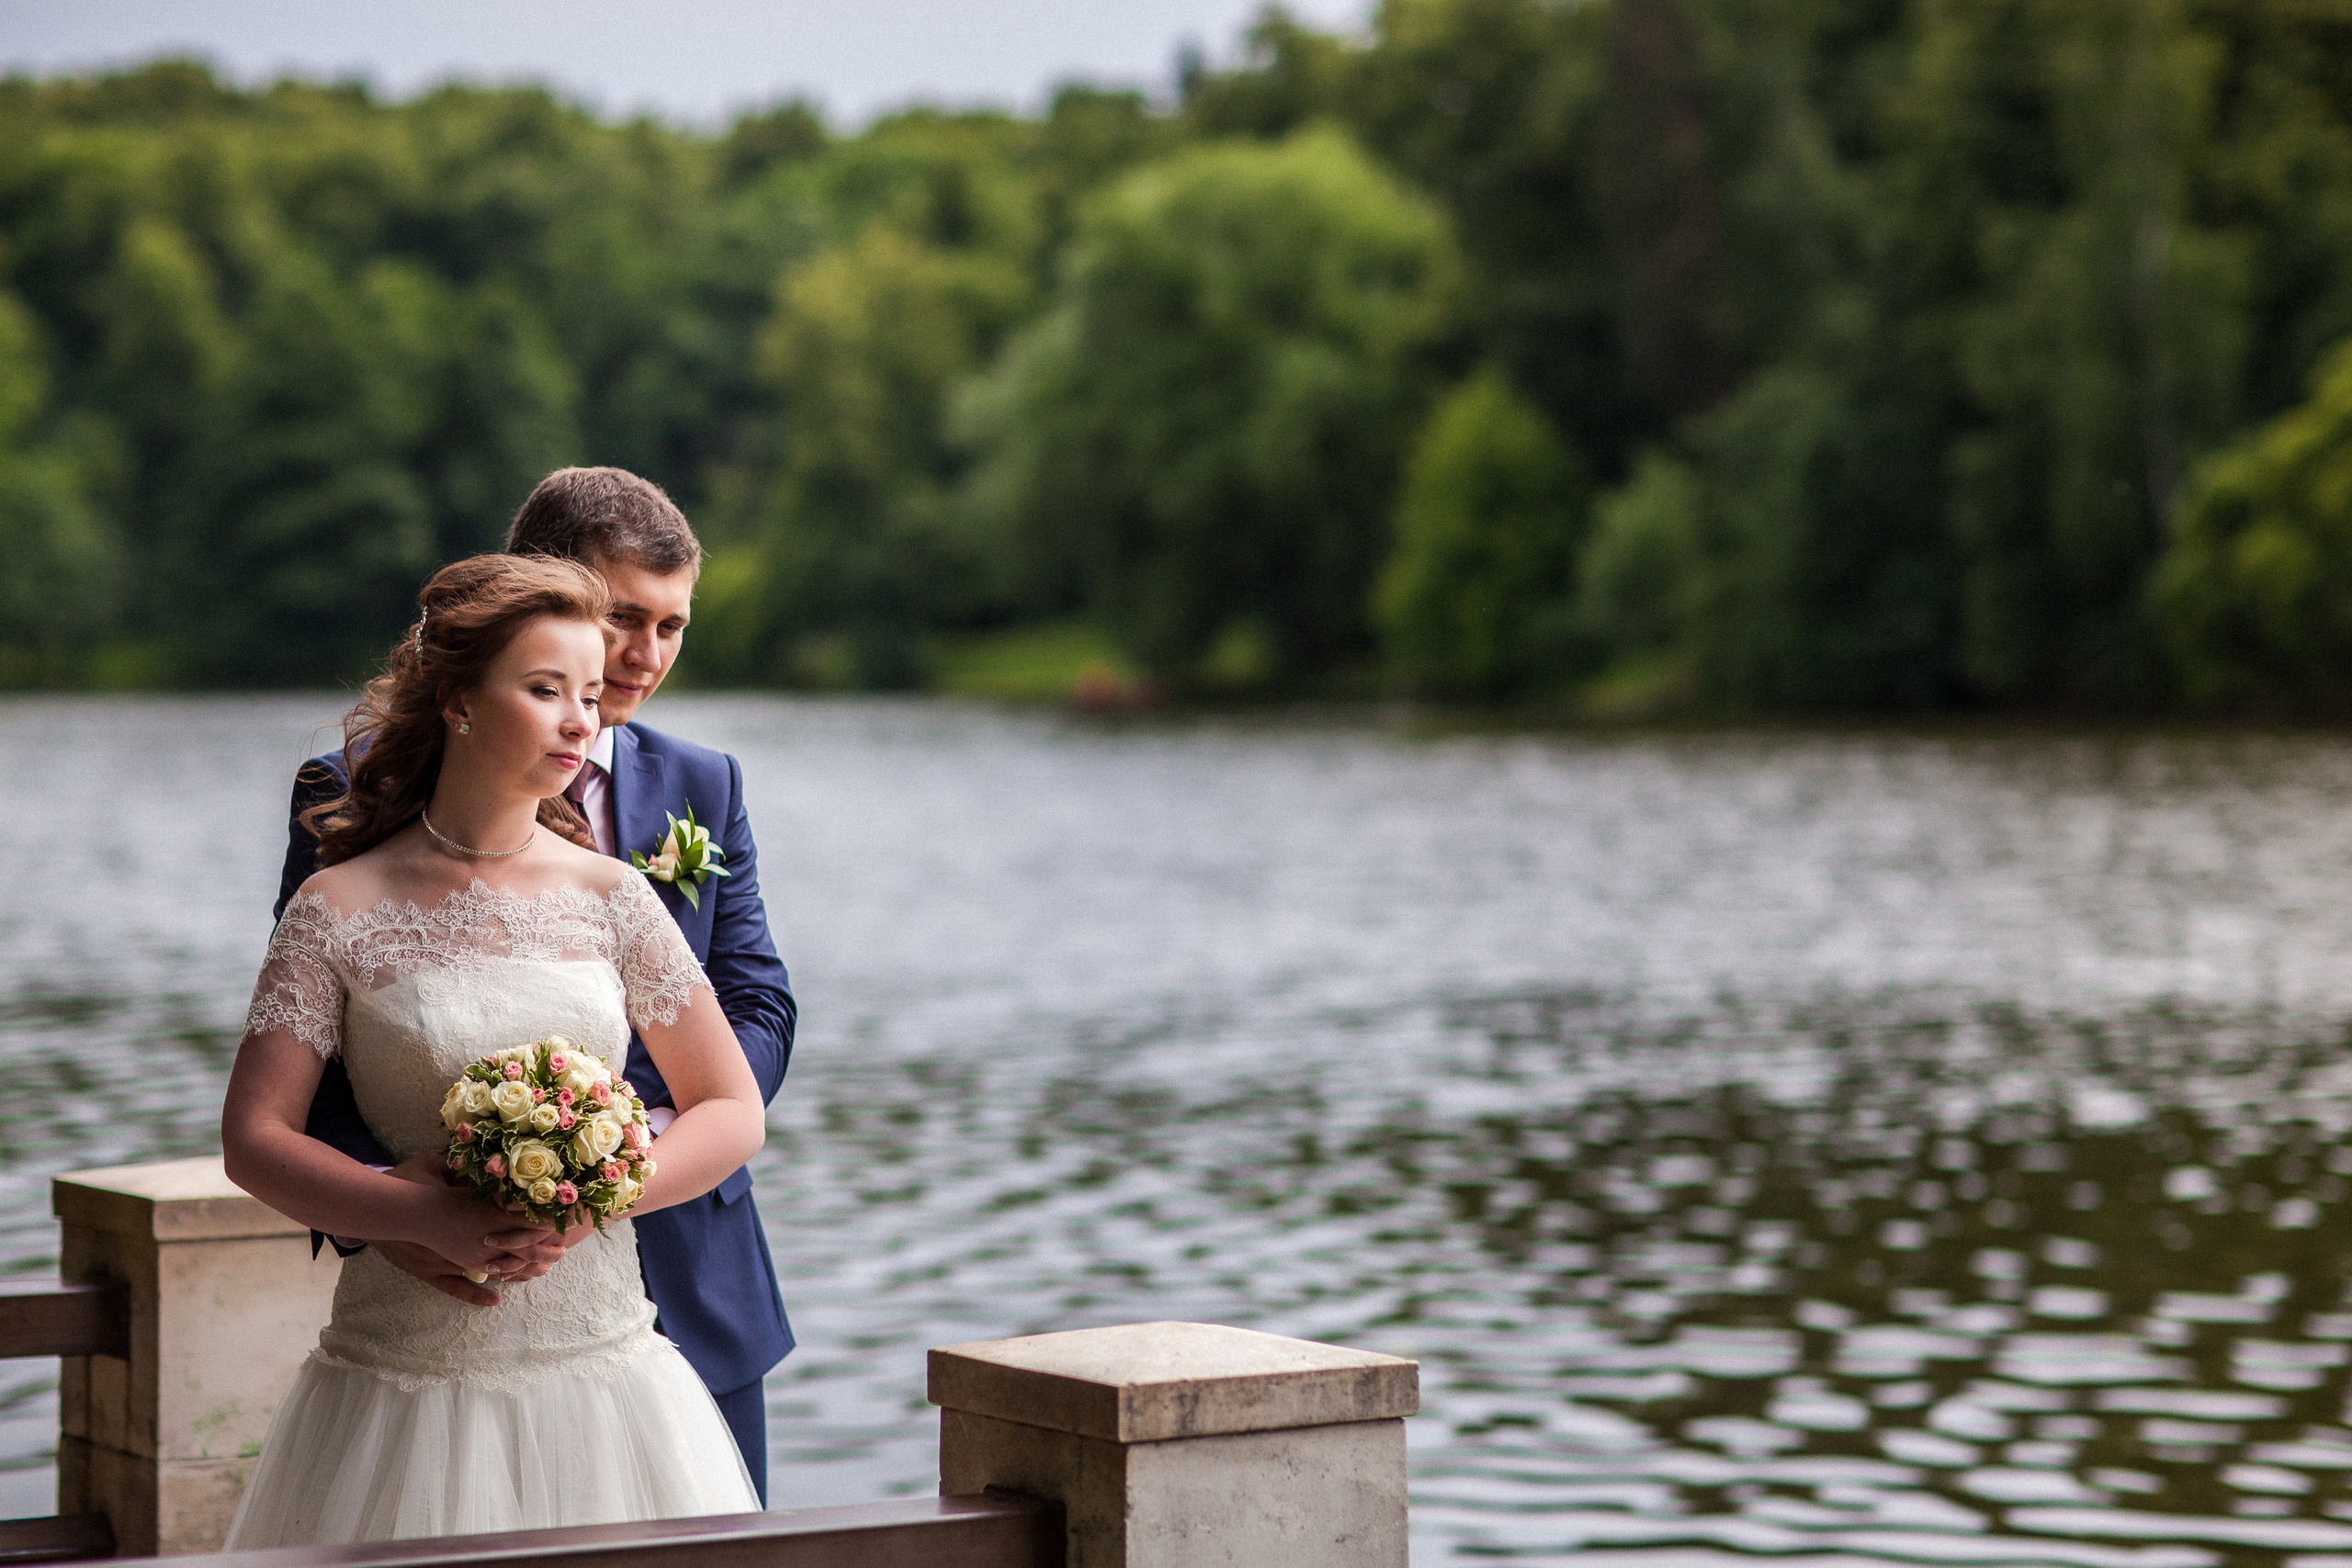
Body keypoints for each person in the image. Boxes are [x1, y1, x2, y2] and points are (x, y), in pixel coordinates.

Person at [273, 468, 795, 1500]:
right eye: (623, 618)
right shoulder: (350, 787)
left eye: (672, 627)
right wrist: (394, 1213)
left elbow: (759, 1004)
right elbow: (316, 1039)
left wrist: (614, 1139)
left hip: (690, 1270)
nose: (641, 657)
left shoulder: (703, 782)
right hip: (448, 1280)